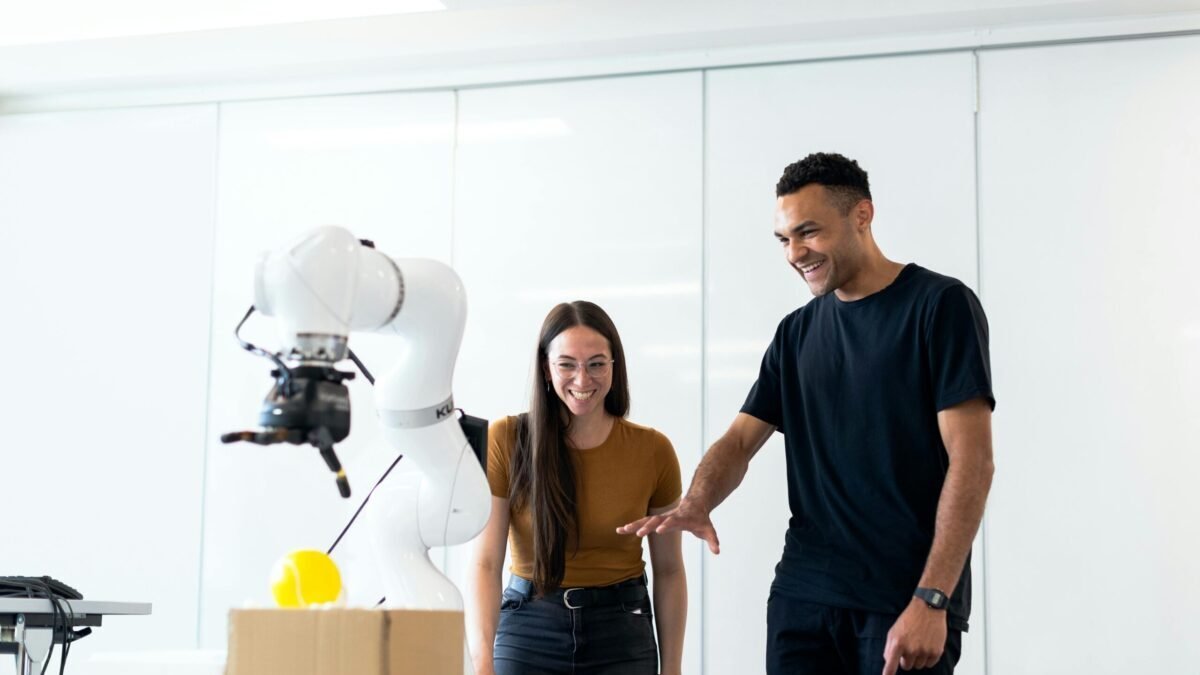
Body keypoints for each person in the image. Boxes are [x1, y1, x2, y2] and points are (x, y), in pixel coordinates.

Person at [619, 152, 995, 674]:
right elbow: (740, 441)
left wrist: (934, 598)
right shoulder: (796, 333)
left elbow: (973, 462)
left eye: (809, 232)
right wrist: (697, 500)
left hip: (902, 599)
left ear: (862, 215)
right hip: (803, 598)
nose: (795, 253)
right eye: (784, 239)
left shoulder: (939, 306)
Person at [467, 300, 686, 675]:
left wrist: (673, 670)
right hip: (529, 627)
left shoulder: (653, 450)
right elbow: (486, 564)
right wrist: (483, 663)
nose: (582, 380)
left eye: (596, 364)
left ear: (614, 366)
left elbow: (669, 571)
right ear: (546, 368)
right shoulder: (506, 439)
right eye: (567, 364)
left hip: (622, 630)